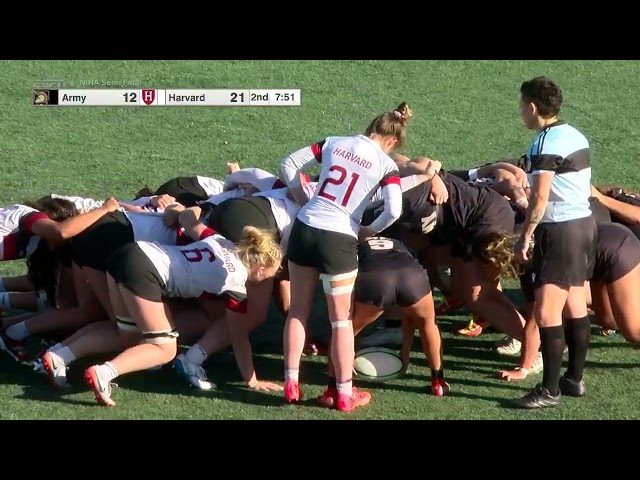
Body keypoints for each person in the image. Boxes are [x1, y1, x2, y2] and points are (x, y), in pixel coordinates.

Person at [279, 102, 409, 412]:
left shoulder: (334, 142)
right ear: (391, 141)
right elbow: (394, 209)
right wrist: (367, 230)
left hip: (306, 226)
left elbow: (289, 164)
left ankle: (290, 383)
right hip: (339, 237)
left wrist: (302, 198)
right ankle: (344, 393)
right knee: (340, 322)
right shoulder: (385, 164)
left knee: (298, 310)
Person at [81, 211, 283, 406]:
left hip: (130, 251)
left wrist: (188, 208)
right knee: (165, 349)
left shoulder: (221, 241)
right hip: (146, 270)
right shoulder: (237, 285)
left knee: (127, 333)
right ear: (261, 269)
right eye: (268, 276)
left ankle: (59, 355)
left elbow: (187, 218)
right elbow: (238, 338)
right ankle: (104, 372)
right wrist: (253, 381)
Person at [511, 76, 597, 409]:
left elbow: (541, 197)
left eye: (522, 106)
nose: (521, 112)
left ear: (533, 107)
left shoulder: (543, 142)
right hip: (585, 226)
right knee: (575, 305)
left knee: (547, 313)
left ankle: (549, 390)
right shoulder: (574, 133)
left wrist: (526, 235)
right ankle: (573, 380)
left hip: (559, 232)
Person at [316, 236, 447, 408]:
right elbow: (409, 316)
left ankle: (333, 391)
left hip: (376, 277)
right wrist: (405, 351)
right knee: (428, 323)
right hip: (412, 276)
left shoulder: (352, 243)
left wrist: (349, 354)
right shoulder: (399, 242)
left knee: (344, 329)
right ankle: (438, 382)